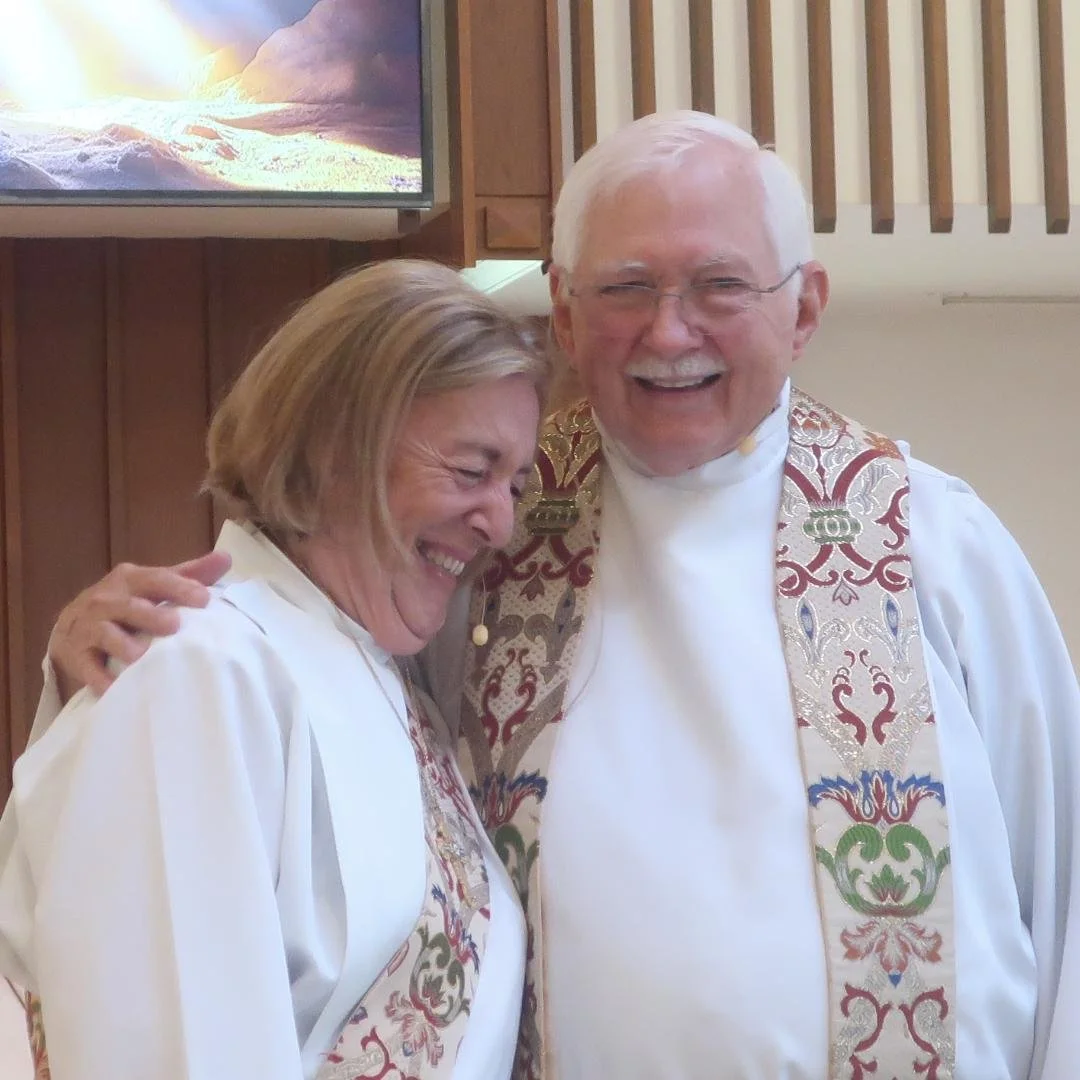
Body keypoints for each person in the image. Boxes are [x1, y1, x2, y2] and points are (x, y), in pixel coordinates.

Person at [24, 111, 1080, 1079]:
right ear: (565, 311)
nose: (671, 334)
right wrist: (95, 664)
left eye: (720, 286)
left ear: (802, 307)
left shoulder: (931, 539)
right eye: (626, 289)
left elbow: (1064, 872)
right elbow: (270, 751)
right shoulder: (490, 542)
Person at [0, 257, 552, 1079]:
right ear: (335, 442)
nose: (500, 523)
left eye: (514, 483)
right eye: (472, 471)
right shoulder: (197, 674)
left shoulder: (382, 668)